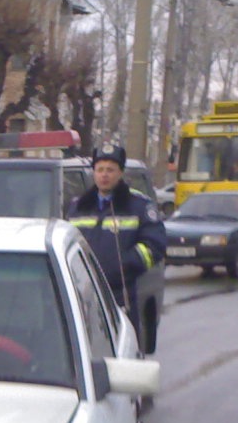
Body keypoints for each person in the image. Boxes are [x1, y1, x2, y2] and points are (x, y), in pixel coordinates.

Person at [65, 145, 166, 342]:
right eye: (100, 169)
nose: (104, 175)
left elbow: (155, 244)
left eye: (110, 170)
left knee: (123, 351)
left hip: (121, 296)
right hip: (84, 294)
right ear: (93, 172)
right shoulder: (79, 207)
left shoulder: (138, 206)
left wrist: (125, 265)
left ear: (120, 173)